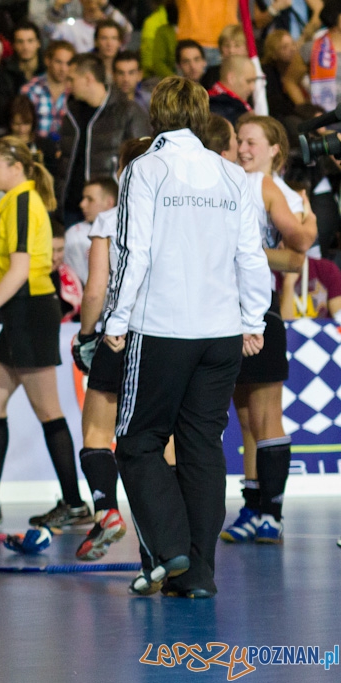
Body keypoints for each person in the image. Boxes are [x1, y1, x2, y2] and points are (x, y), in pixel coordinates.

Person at [102, 77, 272, 598]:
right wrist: (254, 319)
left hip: (163, 328)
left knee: (136, 441)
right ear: (200, 116)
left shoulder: (145, 170)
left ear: (155, 115)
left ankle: (172, 547)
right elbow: (251, 255)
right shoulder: (231, 174)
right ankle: (198, 574)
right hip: (221, 333)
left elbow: (135, 252)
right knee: (201, 448)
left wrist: (115, 317)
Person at [0, 135, 88, 528]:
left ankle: (74, 503)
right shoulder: (16, 201)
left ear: (17, 168)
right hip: (22, 311)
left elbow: (22, 269)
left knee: (48, 411)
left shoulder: (23, 201)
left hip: (30, 309)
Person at [215, 114, 316, 545]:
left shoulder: (266, 186)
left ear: (275, 149)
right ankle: (254, 506)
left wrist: (247, 252)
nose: (243, 148)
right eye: (240, 141)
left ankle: (271, 513)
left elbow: (299, 251)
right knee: (245, 418)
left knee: (265, 416)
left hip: (257, 310)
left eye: (252, 141)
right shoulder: (236, 183)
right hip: (226, 310)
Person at [70, 137, 152, 562]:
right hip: (166, 336)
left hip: (118, 336)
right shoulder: (170, 214)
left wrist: (86, 336)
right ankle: (162, 545)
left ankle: (106, 512)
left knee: (97, 432)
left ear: (122, 172)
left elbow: (96, 288)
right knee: (161, 444)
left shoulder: (108, 219)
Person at [55, 52, 149, 226]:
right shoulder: (70, 112)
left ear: (88, 78)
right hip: (70, 208)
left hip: (110, 210)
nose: (67, 85)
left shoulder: (128, 112)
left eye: (72, 79)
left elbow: (143, 162)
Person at [64, 176, 117, 285]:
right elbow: (80, 283)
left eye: (90, 199)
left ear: (109, 203)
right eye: (83, 198)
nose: (82, 204)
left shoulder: (131, 232)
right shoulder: (75, 235)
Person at [0, 21, 44, 130]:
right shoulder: (3, 72)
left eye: (30, 41)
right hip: (14, 128)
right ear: (13, 45)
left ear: (38, 43)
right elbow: (1, 110)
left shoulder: (47, 70)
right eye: (20, 42)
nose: (25, 47)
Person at [20, 39, 74, 139]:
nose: (63, 68)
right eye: (58, 62)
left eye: (68, 63)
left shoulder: (75, 92)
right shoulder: (30, 90)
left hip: (67, 150)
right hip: (37, 148)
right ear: (47, 61)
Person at [45, 0, 131, 54]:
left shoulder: (112, 25)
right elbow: (48, 31)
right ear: (81, 1)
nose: (92, 3)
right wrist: (57, 7)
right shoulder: (70, 26)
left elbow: (128, 30)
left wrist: (106, 6)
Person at [207, 54, 256, 124]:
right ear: (231, 78)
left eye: (254, 81)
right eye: (248, 81)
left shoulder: (209, 101)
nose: (253, 88)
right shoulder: (221, 110)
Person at [50, 222, 83, 320]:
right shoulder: (23, 278)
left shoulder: (73, 279)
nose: (55, 257)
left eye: (60, 250)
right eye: (50, 250)